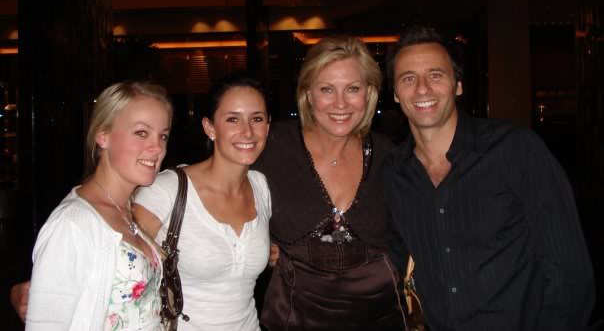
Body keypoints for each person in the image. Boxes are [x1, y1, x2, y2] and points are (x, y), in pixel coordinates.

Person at [383, 25, 596, 330]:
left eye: (435, 75)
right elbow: (393, 265)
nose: (422, 89)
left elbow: (570, 273)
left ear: (458, 85)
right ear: (395, 93)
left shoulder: (516, 150)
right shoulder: (394, 172)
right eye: (408, 78)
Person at [255, 36, 407, 330]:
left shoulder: (389, 154)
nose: (340, 103)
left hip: (381, 317)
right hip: (293, 318)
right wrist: (258, 241)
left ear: (369, 93)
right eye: (327, 89)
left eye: (352, 89)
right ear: (308, 93)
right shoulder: (272, 146)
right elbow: (222, 192)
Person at [25, 81, 173, 330]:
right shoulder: (72, 223)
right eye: (141, 133)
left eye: (163, 136)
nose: (157, 147)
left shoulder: (126, 210)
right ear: (103, 136)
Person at [132, 74, 272, 330]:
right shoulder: (167, 190)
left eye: (257, 119)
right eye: (232, 119)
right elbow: (118, 267)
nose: (247, 131)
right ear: (210, 128)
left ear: (268, 126)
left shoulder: (261, 187)